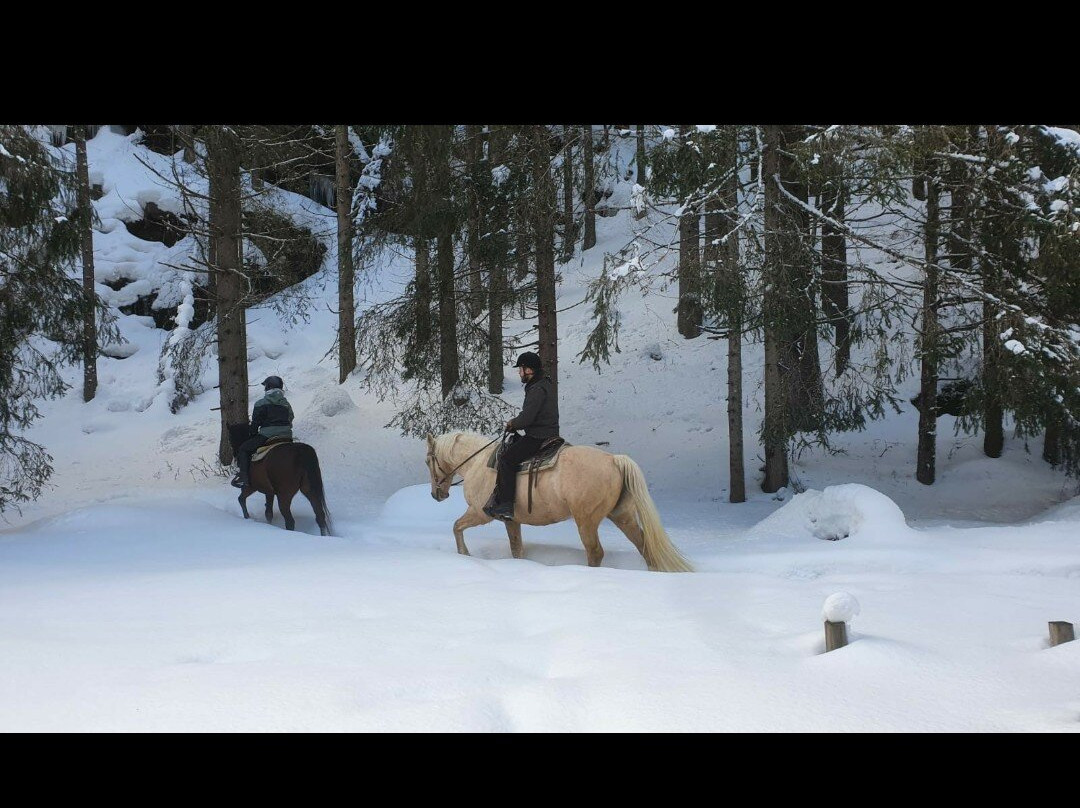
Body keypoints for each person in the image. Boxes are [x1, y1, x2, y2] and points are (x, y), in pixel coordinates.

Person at [484, 352, 559, 521]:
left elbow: (528, 417)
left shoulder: (537, 388)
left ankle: (506, 505)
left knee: (506, 459)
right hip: (547, 432)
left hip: (539, 435)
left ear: (529, 370)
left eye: (521, 369)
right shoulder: (544, 384)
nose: (519, 373)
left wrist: (513, 423)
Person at [231, 376, 295, 489]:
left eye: (265, 386)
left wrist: (252, 435)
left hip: (267, 435)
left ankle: (244, 477)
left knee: (243, 449)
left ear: (268, 387)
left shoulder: (260, 403)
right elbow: (291, 418)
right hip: (286, 436)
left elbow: (256, 423)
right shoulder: (286, 404)